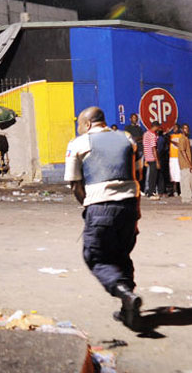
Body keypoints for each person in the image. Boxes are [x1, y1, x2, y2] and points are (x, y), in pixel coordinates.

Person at [65, 107, 143, 331]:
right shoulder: (127, 139)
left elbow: (75, 184)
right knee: (121, 256)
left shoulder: (79, 143)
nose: (79, 129)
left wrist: (89, 206)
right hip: (130, 205)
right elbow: (138, 173)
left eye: (80, 125)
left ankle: (124, 293)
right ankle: (128, 310)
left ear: (88, 124)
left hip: (100, 205)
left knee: (96, 257)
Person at [175, 123, 192, 202]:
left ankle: (185, 198)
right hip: (185, 164)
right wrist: (189, 163)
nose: (187, 130)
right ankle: (188, 198)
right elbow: (183, 151)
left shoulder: (185, 138)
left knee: (184, 180)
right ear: (182, 130)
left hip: (184, 163)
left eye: (187, 128)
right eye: (185, 128)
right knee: (188, 181)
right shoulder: (183, 139)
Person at [142, 121, 161, 198]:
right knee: (153, 176)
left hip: (148, 157)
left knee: (151, 175)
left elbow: (144, 147)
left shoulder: (146, 134)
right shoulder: (152, 135)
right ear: (156, 127)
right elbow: (154, 148)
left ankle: (150, 191)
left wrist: (146, 159)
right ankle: (151, 193)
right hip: (153, 158)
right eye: (158, 128)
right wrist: (157, 161)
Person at [124, 114, 144, 181]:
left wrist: (136, 138)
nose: (135, 119)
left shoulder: (139, 128)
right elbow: (129, 138)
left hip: (140, 150)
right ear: (130, 119)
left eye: (136, 118)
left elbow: (142, 137)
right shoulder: (127, 128)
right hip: (132, 150)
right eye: (133, 118)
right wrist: (137, 138)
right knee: (132, 168)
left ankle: (141, 184)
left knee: (140, 169)